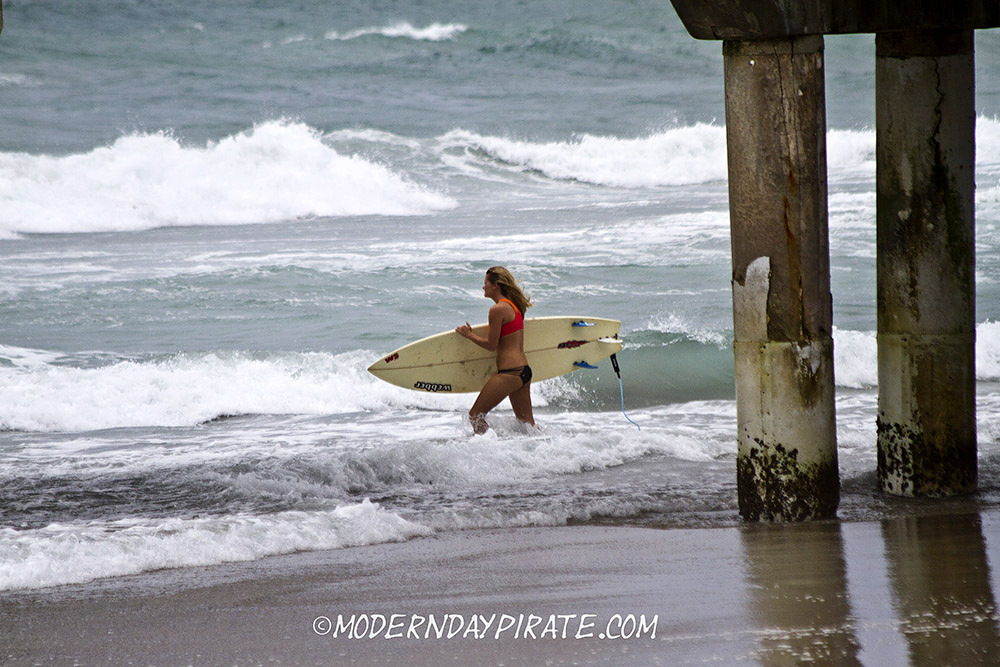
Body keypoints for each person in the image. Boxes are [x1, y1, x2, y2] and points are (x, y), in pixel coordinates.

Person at [455, 266, 535, 434]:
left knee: (475, 416)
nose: (483, 287)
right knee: (527, 426)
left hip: (510, 373)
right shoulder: (515, 307)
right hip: (524, 372)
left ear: (495, 285)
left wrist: (469, 335)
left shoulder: (497, 310)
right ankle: (547, 450)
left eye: (485, 283)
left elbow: (492, 345)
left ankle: (492, 450)